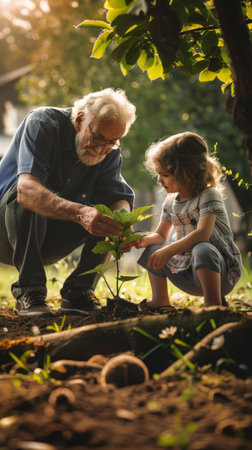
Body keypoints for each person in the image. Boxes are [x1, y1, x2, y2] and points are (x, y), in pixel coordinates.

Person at [0, 88, 136, 316]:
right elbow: (26, 191)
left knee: (107, 215)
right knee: (29, 193)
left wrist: (122, 221)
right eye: (99, 138)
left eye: (113, 142)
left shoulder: (109, 149)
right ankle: (29, 292)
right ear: (80, 120)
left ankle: (78, 294)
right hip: (5, 233)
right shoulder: (43, 123)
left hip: (49, 239)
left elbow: (117, 197)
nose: (103, 149)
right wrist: (82, 213)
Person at [135, 132, 242, 310]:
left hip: (220, 273)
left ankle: (213, 303)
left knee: (203, 248)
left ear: (188, 174)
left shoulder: (208, 195)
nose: (159, 180)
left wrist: (168, 251)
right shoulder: (171, 201)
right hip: (186, 272)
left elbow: (202, 234)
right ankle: (160, 300)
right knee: (153, 249)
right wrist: (141, 241)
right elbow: (161, 235)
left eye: (165, 175)